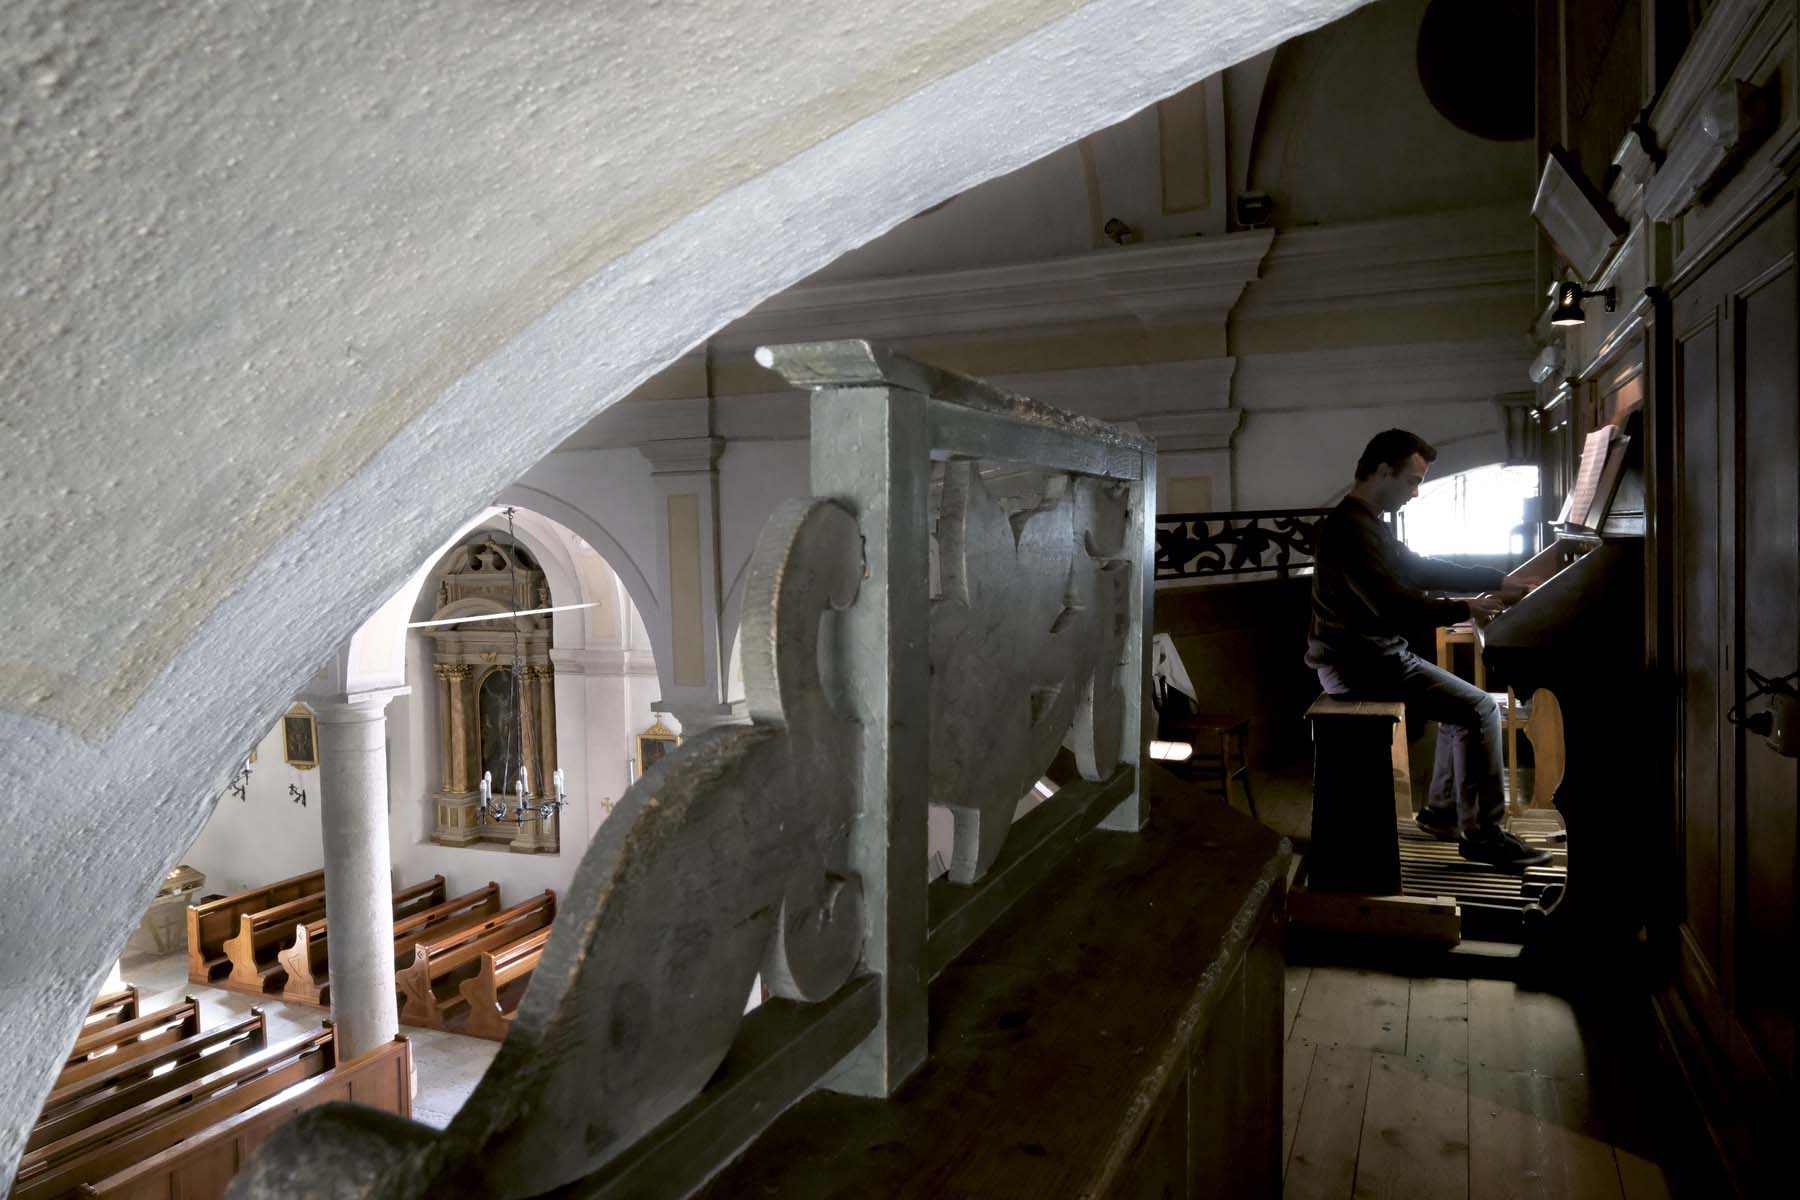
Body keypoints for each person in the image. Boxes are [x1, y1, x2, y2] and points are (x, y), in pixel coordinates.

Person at [1305, 429, 1551, 868]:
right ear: (1383, 471)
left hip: (1367, 656)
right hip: (1361, 663)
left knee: (1461, 709)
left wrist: (1500, 581)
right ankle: (1484, 835)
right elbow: (1398, 605)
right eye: (1413, 481)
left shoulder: (1360, 521)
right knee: (1479, 709)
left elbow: (1418, 569)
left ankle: (1442, 814)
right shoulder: (1351, 529)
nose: (1416, 492)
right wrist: (1466, 607)